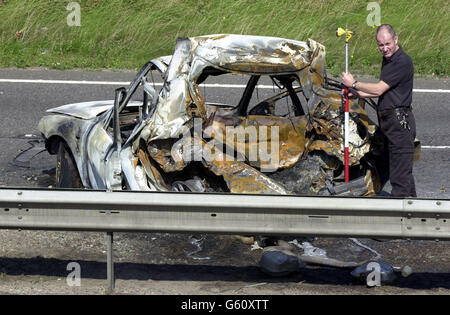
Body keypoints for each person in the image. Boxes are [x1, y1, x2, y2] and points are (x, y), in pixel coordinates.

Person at [341, 24, 416, 197]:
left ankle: (401, 215)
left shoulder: (402, 61)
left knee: (399, 177)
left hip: (400, 125)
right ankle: (412, 209)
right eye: (381, 45)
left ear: (396, 39)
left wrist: (353, 83)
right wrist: (356, 94)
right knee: (399, 170)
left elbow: (379, 89)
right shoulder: (389, 60)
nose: (384, 48)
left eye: (388, 43)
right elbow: (386, 91)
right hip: (390, 124)